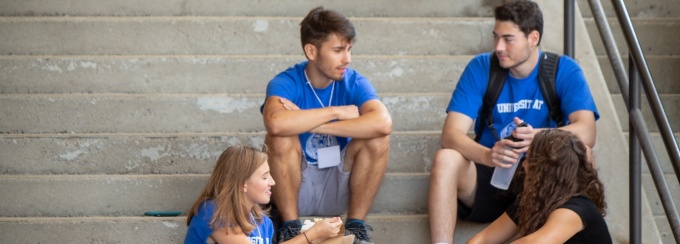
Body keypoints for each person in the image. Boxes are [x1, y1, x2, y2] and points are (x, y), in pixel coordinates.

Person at [427, 0, 600, 243]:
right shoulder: (481, 67)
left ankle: (575, 231)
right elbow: (450, 135)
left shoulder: (564, 69)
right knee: (446, 158)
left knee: (585, 151)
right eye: (495, 37)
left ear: (533, 37)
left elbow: (587, 130)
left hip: (543, 179)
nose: (498, 46)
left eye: (508, 39)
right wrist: (488, 156)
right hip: (493, 176)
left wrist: (538, 137)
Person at [260, 6, 392, 244]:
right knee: (279, 138)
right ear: (311, 51)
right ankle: (290, 227)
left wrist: (313, 124)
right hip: (295, 183)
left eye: (349, 50)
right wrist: (336, 112)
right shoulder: (286, 81)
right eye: (338, 50)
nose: (347, 59)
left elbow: (383, 122)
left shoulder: (354, 81)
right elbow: (276, 123)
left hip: (339, 181)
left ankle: (356, 226)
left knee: (377, 138)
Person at [468, 129, 611, 243]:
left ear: (543, 170)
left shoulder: (577, 208)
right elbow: (483, 238)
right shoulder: (535, 202)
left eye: (528, 158)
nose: (523, 164)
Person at [184, 145, 343, 244]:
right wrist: (311, 235)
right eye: (265, 177)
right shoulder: (212, 211)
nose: (273, 182)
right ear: (242, 184)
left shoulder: (263, 222)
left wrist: (317, 236)